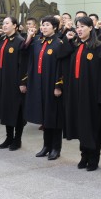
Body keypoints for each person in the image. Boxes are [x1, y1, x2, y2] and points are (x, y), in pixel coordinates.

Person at [64, 16, 101, 171]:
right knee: (81, 124)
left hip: (92, 93)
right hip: (76, 91)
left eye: (82, 26)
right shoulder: (75, 45)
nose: (79, 29)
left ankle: (94, 157)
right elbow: (61, 55)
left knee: (92, 125)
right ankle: (84, 155)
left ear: (91, 28)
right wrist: (67, 40)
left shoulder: (98, 47)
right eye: (77, 27)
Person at [24, 16, 68, 160]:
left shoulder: (59, 43)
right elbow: (26, 56)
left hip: (52, 84)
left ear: (54, 27)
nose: (43, 27)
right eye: (42, 25)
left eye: (47, 25)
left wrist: (58, 85)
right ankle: (46, 146)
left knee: (54, 116)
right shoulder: (37, 41)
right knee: (44, 116)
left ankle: (56, 148)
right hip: (39, 83)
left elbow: (62, 67)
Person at [0, 17, 27, 150]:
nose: (4, 25)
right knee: (6, 109)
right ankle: (9, 137)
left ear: (15, 26)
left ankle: (17, 139)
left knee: (16, 111)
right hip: (2, 80)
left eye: (7, 23)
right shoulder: (2, 39)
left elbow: (24, 64)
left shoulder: (20, 41)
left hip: (15, 81)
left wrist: (23, 82)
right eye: (3, 23)